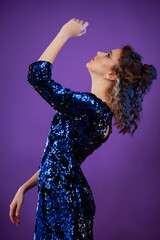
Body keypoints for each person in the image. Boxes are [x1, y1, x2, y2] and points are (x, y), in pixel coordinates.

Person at [9, 18, 157, 239]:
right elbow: (59, 159)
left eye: (107, 55)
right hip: (60, 198)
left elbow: (37, 77)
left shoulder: (91, 108)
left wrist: (63, 34)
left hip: (65, 201)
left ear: (112, 74)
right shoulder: (97, 111)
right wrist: (24, 187)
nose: (98, 52)